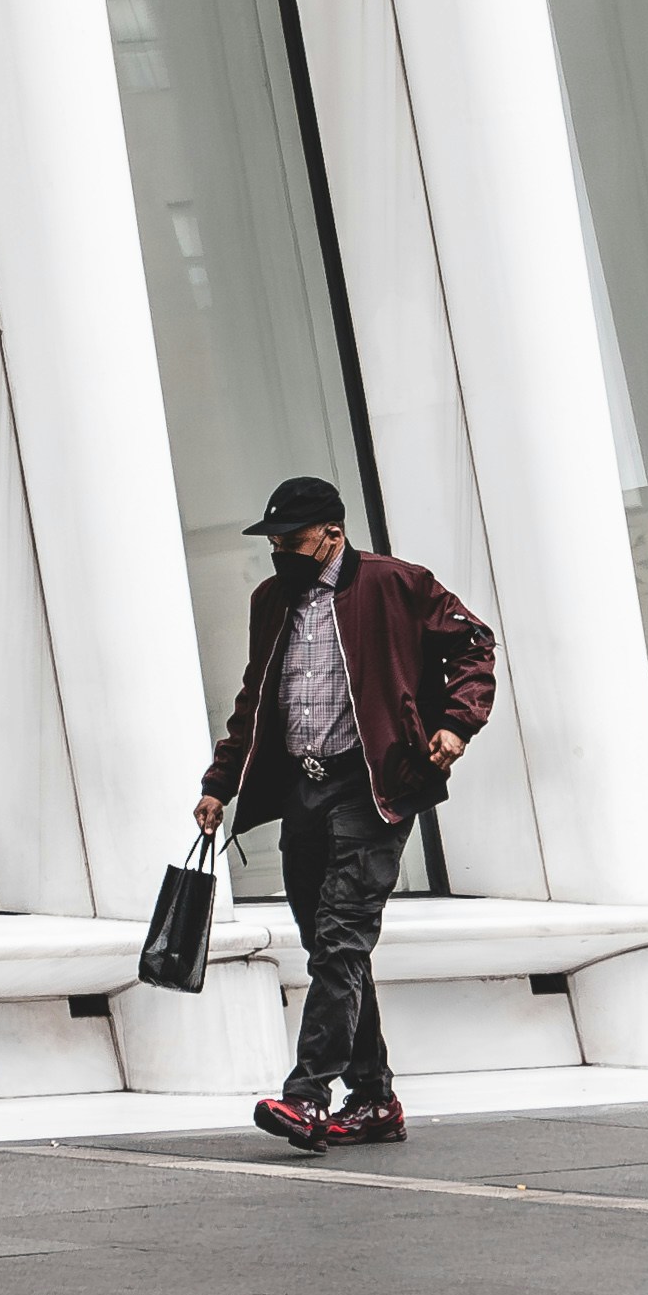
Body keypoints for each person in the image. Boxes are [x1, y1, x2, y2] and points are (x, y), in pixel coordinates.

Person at [197, 474, 495, 1152]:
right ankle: (374, 1100)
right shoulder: (271, 599)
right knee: (330, 946)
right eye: (274, 542)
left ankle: (306, 1097)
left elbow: (474, 644)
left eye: (291, 541)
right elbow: (255, 697)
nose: (280, 552)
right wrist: (221, 782)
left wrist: (456, 723)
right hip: (304, 790)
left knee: (340, 939)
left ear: (332, 534)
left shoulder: (397, 583)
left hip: (374, 787)